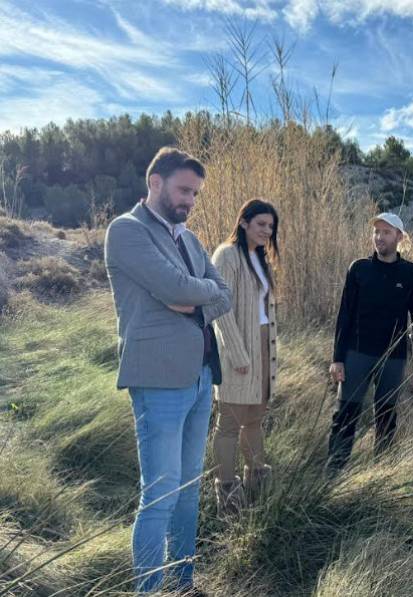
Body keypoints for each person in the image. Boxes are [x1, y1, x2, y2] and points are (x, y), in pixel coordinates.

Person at [104, 147, 232, 595]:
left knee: (188, 491)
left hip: (199, 377)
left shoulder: (189, 239)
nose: (190, 201)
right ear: (154, 182)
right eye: (183, 190)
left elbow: (224, 293)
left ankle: (181, 584)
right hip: (157, 380)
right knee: (159, 496)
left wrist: (189, 299)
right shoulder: (126, 231)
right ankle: (148, 590)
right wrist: (193, 292)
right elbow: (177, 287)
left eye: (195, 193)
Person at [326, 212, 413, 475]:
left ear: (399, 237)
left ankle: (380, 480)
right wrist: (337, 358)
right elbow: (344, 316)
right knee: (344, 416)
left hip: (393, 359)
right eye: (376, 232)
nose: (379, 237)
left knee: (386, 419)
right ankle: (332, 478)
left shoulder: (411, 274)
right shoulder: (359, 269)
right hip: (356, 355)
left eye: (385, 232)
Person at [210, 199, 280, 515]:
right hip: (239, 349)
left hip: (264, 347)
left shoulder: (259, 258)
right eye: (261, 224)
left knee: (255, 418)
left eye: (271, 226)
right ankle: (227, 494)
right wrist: (238, 354)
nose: (267, 230)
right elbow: (220, 309)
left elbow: (264, 311)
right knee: (229, 424)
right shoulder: (227, 256)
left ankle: (256, 482)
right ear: (244, 223)